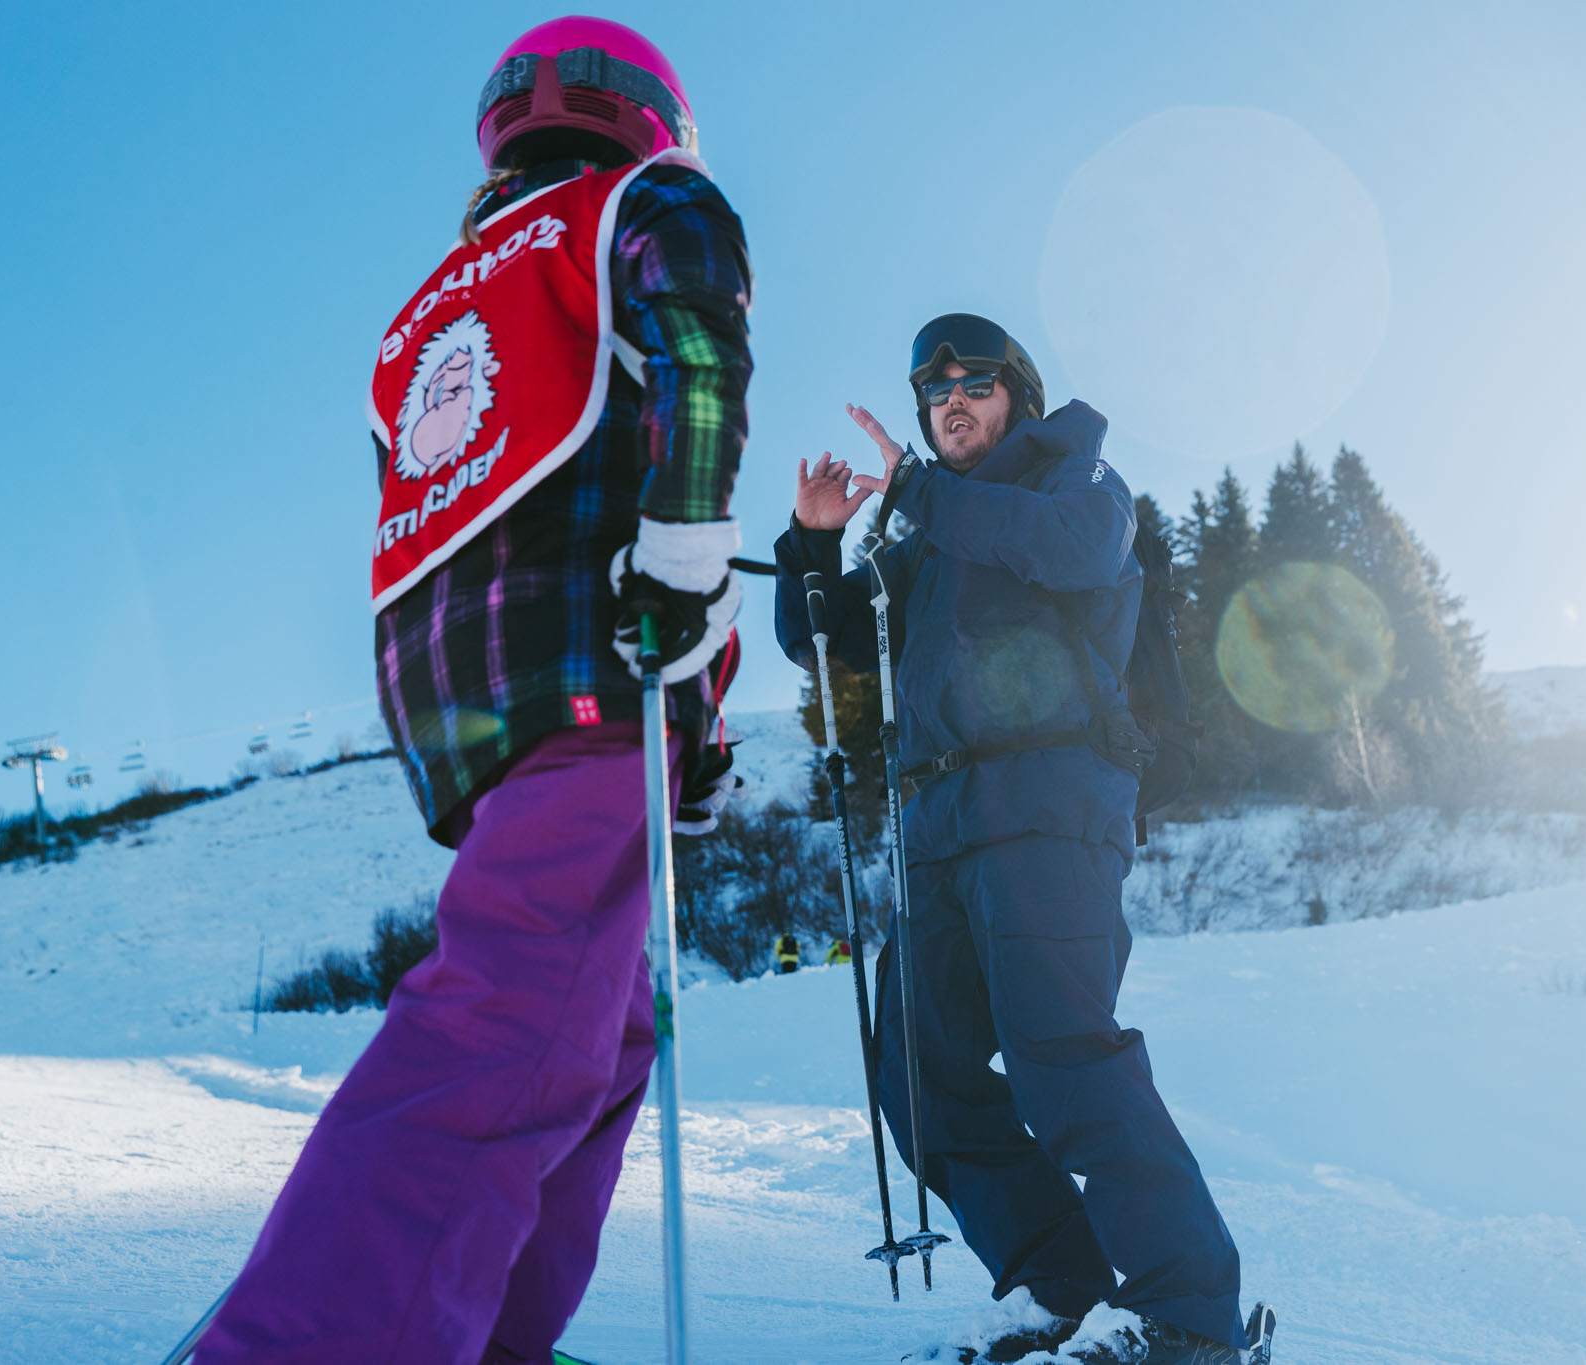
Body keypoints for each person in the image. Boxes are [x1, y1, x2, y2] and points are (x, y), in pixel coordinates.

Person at [197, 17, 751, 1364]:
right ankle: (319, 1341)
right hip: (593, 665)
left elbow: (459, 485)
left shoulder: (431, 304)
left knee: (603, 1032)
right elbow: (700, 348)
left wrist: (689, 743)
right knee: (510, 1024)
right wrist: (682, 572)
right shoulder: (642, 199)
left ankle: (490, 1329)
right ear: (648, 114)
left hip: (468, 701)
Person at [774, 316, 1255, 1364]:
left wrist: (916, 497)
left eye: (974, 379)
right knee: (917, 1069)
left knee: (1061, 1059)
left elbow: (1077, 554)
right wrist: (813, 542)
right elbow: (830, 647)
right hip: (936, 828)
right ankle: (1058, 1286)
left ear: (1016, 396)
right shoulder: (921, 536)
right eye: (931, 385)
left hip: (1047, 804)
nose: (950, 397)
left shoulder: (1072, 483)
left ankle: (1190, 1318)